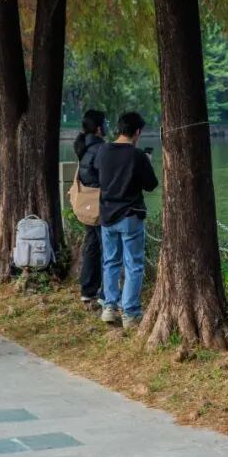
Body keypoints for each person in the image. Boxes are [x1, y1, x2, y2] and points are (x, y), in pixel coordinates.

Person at [98, 110, 158, 329]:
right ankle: (130, 313)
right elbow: (151, 184)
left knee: (111, 262)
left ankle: (109, 308)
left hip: (107, 216)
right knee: (134, 265)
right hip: (130, 216)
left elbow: (100, 178)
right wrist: (147, 162)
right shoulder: (137, 155)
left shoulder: (103, 151)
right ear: (137, 132)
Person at [73, 109, 107, 307]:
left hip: (87, 206)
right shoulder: (101, 149)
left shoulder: (83, 146)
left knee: (92, 247)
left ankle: (87, 290)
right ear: (99, 128)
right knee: (106, 250)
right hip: (100, 206)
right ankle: (106, 295)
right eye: (106, 122)